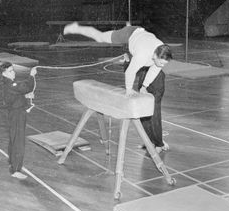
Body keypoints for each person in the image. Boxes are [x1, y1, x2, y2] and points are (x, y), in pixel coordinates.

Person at [64, 22, 172, 153]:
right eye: (161, 62)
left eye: (164, 64)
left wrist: (144, 86)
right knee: (101, 37)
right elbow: (130, 72)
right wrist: (128, 90)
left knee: (151, 67)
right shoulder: (143, 55)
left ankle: (128, 52)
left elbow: (154, 70)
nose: (162, 65)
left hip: (141, 41)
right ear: (155, 56)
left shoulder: (161, 50)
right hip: (130, 34)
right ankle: (76, 28)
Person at [0, 62, 37, 179]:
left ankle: (12, 162)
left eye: (13, 70)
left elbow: (15, 96)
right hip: (17, 115)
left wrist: (25, 97)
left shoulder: (9, 84)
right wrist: (32, 75)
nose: (13, 72)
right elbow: (27, 87)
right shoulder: (11, 84)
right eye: (10, 71)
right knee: (18, 142)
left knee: (14, 139)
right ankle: (16, 170)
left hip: (15, 114)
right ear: (4, 73)